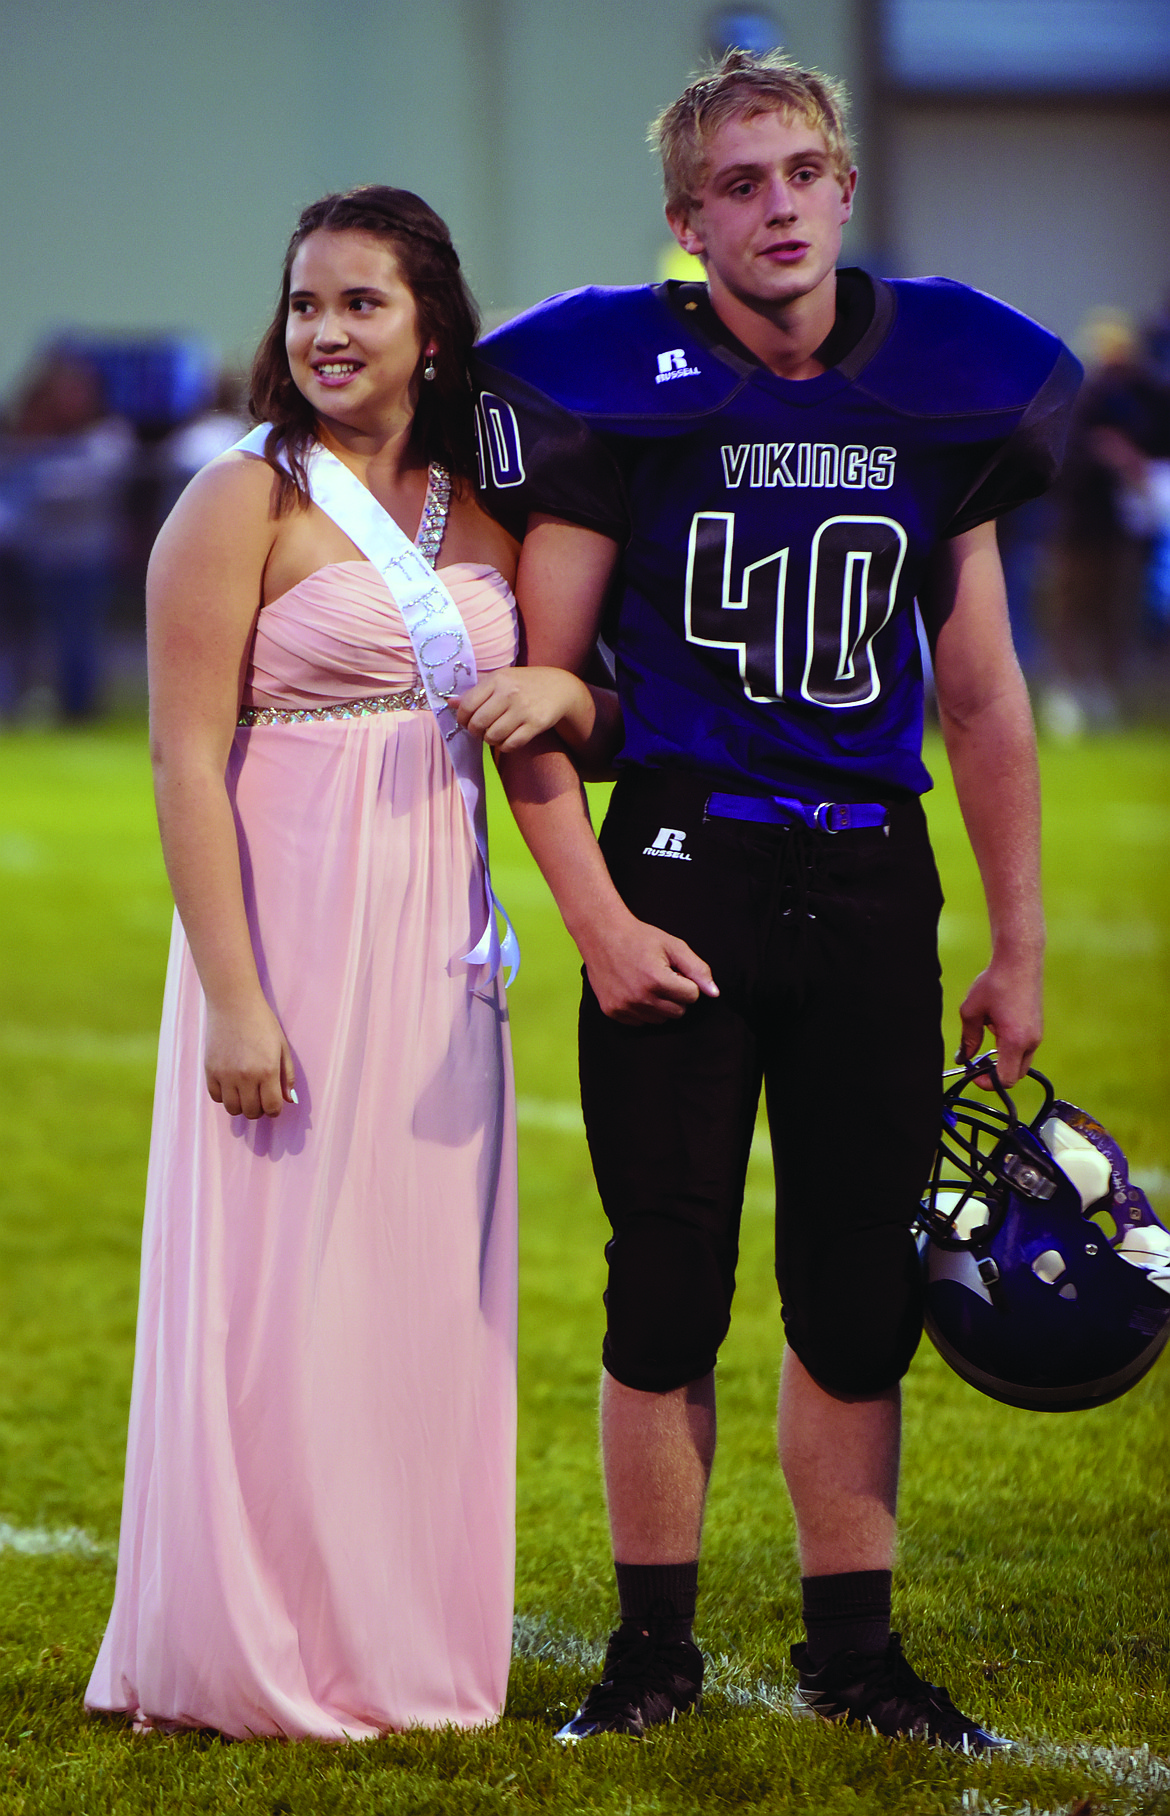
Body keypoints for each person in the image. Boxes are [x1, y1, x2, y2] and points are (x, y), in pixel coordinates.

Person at [468, 51, 1081, 1750]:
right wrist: (591, 918)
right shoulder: (616, 385)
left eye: (800, 171)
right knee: (663, 1275)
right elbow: (543, 689)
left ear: (846, 187)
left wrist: (1017, 944)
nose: (777, 205)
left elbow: (981, 700)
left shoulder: (947, 384)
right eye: (737, 185)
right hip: (687, 853)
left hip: (874, 869)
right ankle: (649, 1649)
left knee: (854, 1287)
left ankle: (853, 1653)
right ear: (686, 225)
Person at [84, 185, 596, 1741]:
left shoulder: (482, 507)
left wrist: (565, 701)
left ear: (430, 327)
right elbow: (182, 763)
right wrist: (234, 995)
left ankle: (401, 1641)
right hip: (284, 934)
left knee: (418, 1294)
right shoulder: (240, 496)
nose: (323, 331)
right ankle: (253, 1638)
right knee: (280, 1287)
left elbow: (559, 709)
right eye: (305, 302)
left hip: (434, 942)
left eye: (359, 303)